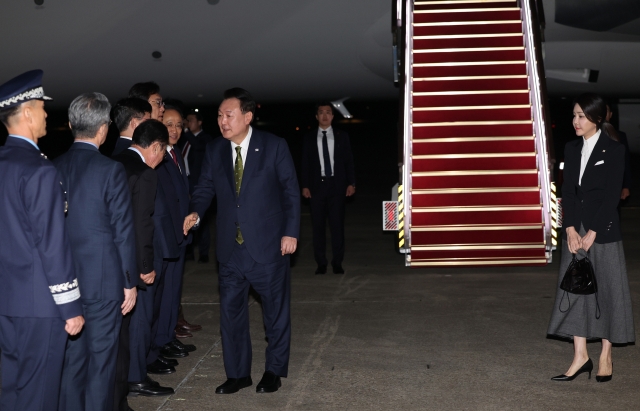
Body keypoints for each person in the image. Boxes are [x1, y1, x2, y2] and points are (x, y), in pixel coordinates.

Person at [184, 88, 300, 394]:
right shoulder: (214, 150)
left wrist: (291, 232)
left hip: (267, 246)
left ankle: (274, 370)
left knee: (275, 314)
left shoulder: (274, 146)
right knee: (231, 315)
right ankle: (238, 374)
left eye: (229, 115)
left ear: (247, 117)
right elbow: (205, 187)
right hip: (229, 249)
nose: (222, 121)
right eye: (219, 116)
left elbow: (290, 191)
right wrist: (195, 211)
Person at [0, 69, 84, 410]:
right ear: (27, 112)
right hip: (39, 305)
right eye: (42, 106)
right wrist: (71, 307)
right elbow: (52, 244)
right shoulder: (39, 170)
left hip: (7, 300)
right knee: (40, 393)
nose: (47, 113)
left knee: (11, 390)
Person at [54, 92, 138, 411]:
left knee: (72, 364)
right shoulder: (110, 170)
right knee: (100, 364)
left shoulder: (52, 167)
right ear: (104, 129)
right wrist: (129, 282)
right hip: (103, 284)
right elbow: (123, 231)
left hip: (65, 283)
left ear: (72, 124)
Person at [548, 93, 635, 383]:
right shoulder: (572, 149)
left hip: (604, 231)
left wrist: (593, 232)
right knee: (575, 291)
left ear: (597, 118)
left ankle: (606, 354)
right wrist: (570, 229)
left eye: (581, 116)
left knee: (607, 290)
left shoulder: (614, 150)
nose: (575, 121)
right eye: (573, 115)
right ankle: (580, 356)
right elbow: (569, 192)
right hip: (577, 231)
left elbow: (612, 196)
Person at [113, 119, 174, 405]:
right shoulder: (145, 173)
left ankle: (123, 377)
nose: (162, 159)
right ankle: (136, 377)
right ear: (155, 147)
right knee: (138, 321)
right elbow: (141, 226)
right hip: (134, 263)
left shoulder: (114, 163)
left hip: (111, 258)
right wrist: (146, 267)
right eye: (163, 152)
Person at [147, 104, 197, 369]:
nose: (175, 130)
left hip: (180, 235)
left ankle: (166, 337)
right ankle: (156, 343)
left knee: (172, 294)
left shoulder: (175, 153)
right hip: (164, 239)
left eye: (179, 125)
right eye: (169, 124)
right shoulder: (155, 157)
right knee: (159, 296)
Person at [300, 102, 356, 274]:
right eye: (321, 112)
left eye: (328, 112)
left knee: (337, 226)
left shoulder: (341, 136)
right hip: (317, 187)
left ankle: (337, 262)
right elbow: (305, 164)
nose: (325, 115)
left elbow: (349, 161)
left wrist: (351, 183)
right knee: (318, 227)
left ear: (332, 116)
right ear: (316, 116)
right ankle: (321, 263)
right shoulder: (309, 138)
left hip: (337, 186)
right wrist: (305, 185)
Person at [182, 110, 215, 264]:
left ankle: (203, 252)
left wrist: (186, 131)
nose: (188, 123)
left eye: (191, 120)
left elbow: (197, 147)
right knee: (185, 217)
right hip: (185, 182)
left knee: (199, 217)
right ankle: (188, 250)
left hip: (199, 183)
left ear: (200, 122)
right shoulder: (184, 140)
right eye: (186, 121)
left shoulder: (205, 139)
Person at [605, 104, 632, 200]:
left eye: (606, 111)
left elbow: (625, 161)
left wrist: (626, 186)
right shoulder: (588, 135)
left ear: (610, 114)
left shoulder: (620, 136)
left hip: (614, 184)